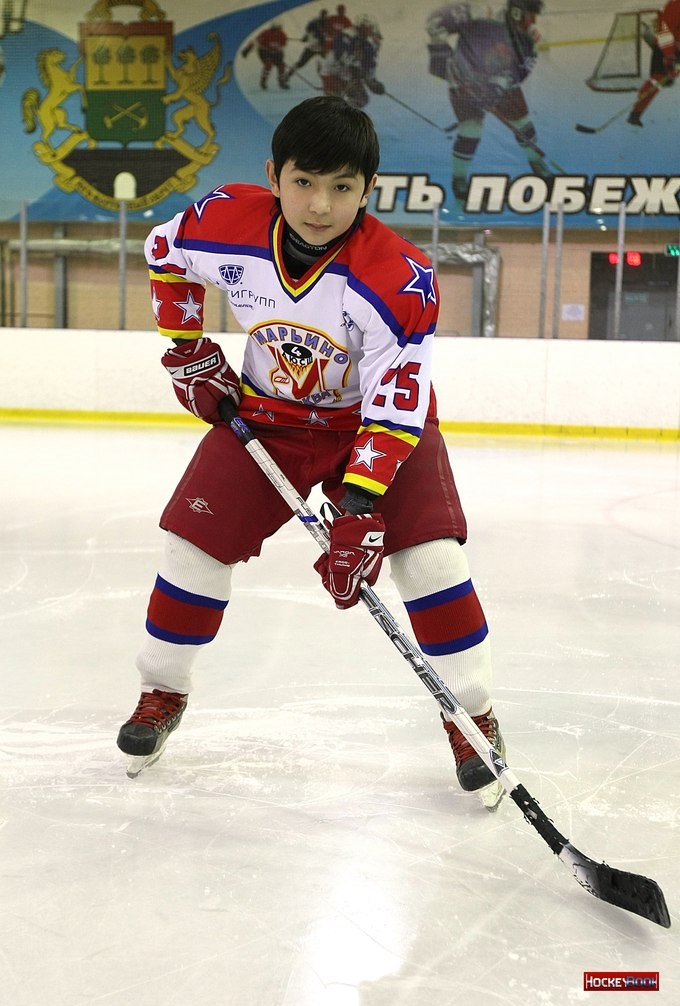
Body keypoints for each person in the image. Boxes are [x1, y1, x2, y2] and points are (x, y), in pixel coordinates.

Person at [117, 95, 506, 804]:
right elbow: (163, 253)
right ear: (274, 175)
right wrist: (187, 349)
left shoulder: (398, 277)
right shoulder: (223, 221)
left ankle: (472, 715)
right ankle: (162, 692)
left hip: (374, 426)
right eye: (303, 182)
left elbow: (395, 403)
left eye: (342, 187)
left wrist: (359, 506)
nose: (320, 205)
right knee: (191, 547)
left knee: (429, 560)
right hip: (268, 418)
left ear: (368, 189)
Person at [426, 0, 548, 205]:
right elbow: (435, 23)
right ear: (517, 13)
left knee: (522, 123)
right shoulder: (480, 14)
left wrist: (496, 89)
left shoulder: (527, 39)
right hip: (463, 83)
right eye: (531, 15)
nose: (533, 21)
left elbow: (518, 73)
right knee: (471, 129)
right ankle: (459, 180)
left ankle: (538, 165)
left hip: (498, 84)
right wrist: (440, 52)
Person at [627, 0, 680, 126]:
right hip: (665, 48)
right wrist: (669, 57)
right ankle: (635, 114)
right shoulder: (674, 6)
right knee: (656, 80)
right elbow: (664, 33)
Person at [320, 14, 385, 107]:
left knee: (361, 98)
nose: (371, 31)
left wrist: (373, 83)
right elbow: (340, 53)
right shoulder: (346, 35)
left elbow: (370, 65)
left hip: (348, 76)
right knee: (334, 102)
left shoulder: (368, 45)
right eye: (369, 27)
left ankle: (347, 111)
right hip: (332, 73)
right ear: (362, 26)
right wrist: (354, 66)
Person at [241, 22, 289, 90]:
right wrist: (247, 50)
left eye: (277, 30)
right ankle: (263, 81)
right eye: (274, 30)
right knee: (268, 65)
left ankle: (281, 81)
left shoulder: (282, 35)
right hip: (264, 51)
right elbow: (255, 41)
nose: (275, 32)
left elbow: (282, 45)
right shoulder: (265, 33)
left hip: (276, 53)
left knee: (281, 66)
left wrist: (278, 51)